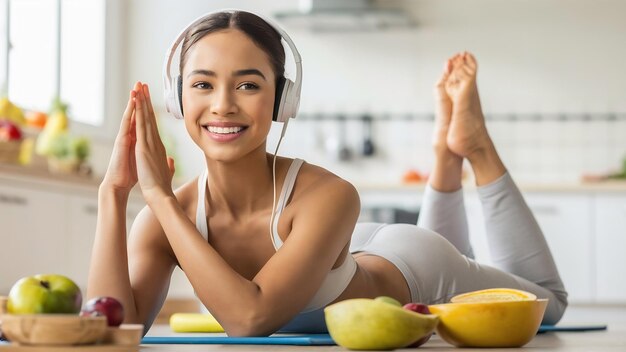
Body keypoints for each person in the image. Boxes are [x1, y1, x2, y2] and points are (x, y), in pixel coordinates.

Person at [86, 9, 567, 336]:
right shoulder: (162, 221)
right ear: (178, 100)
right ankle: (445, 155)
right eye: (202, 84)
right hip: (348, 246)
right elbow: (115, 329)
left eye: (248, 84)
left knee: (550, 305)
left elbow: (250, 319)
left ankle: (473, 149)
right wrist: (113, 193)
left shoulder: (329, 194)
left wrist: (161, 198)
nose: (223, 105)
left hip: (413, 267)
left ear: (281, 100)